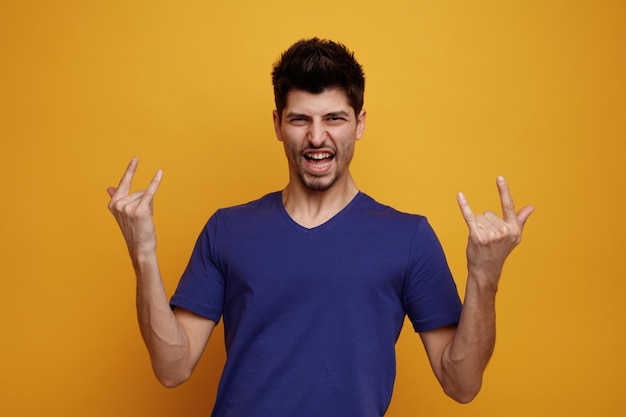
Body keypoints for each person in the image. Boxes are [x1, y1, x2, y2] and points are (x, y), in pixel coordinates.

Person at [107, 38, 534, 416]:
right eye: (299, 120)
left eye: (334, 118)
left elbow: (461, 385)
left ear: (360, 123)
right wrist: (142, 253)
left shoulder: (409, 238)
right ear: (277, 124)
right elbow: (171, 367)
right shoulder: (227, 229)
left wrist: (484, 276)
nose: (317, 137)